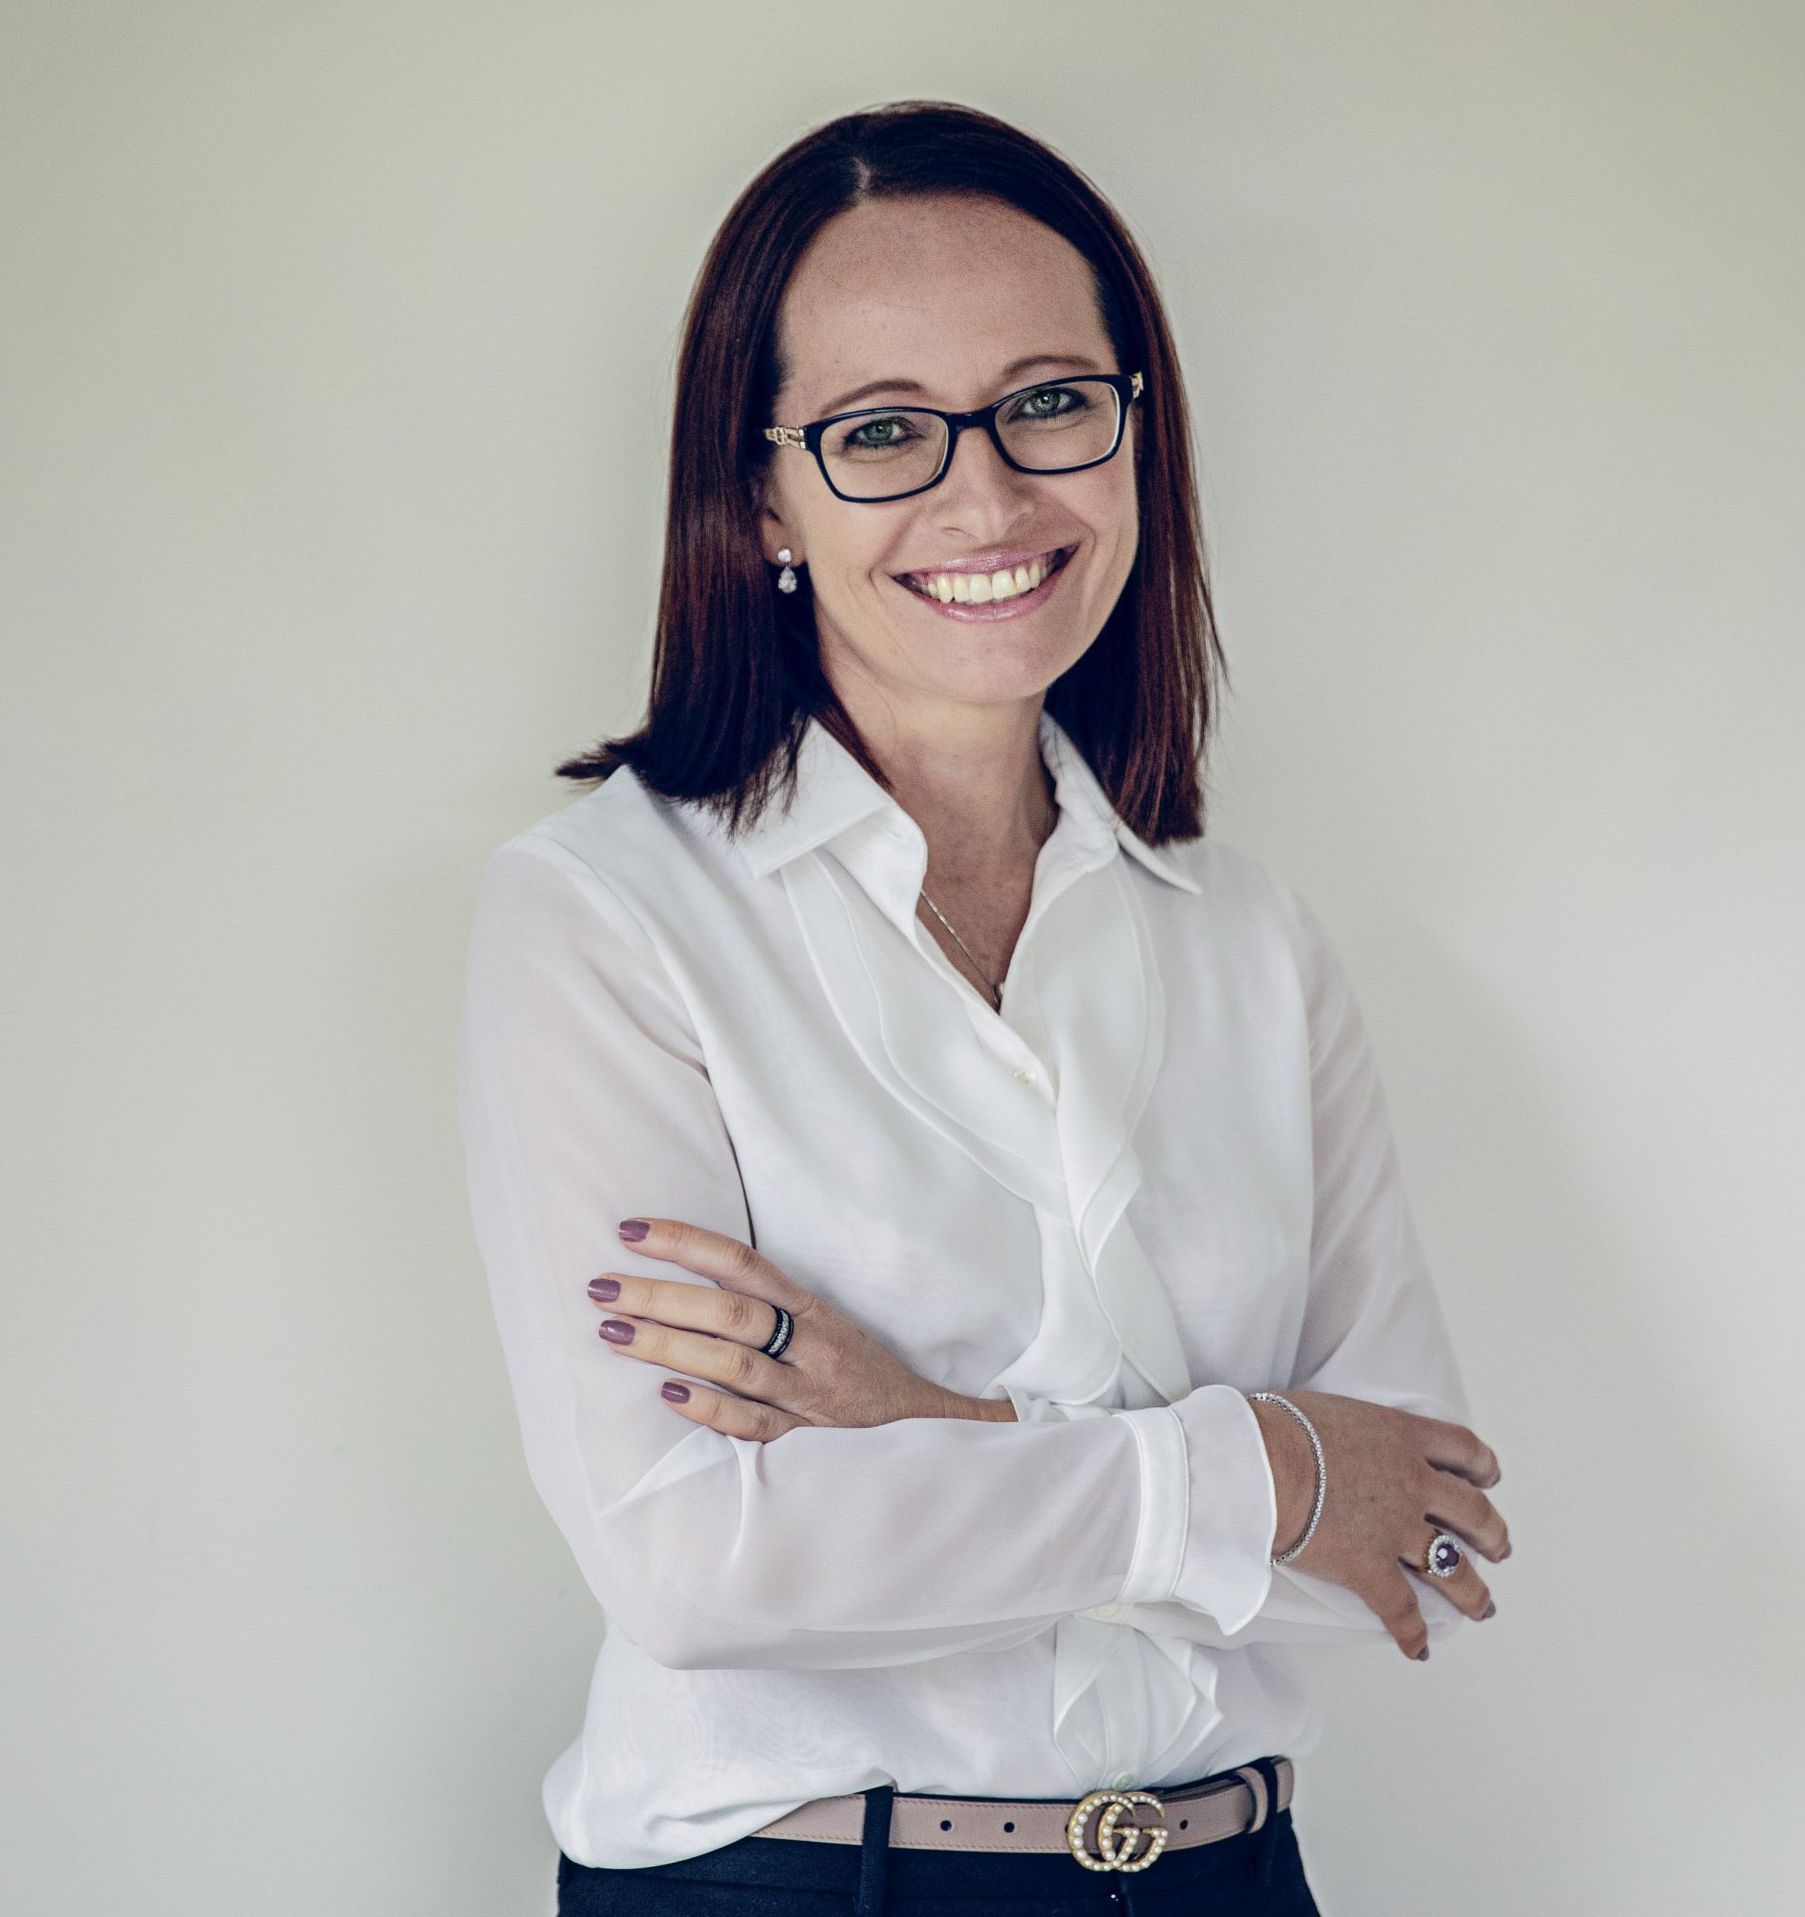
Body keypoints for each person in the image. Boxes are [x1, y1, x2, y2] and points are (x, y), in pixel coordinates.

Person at [457, 99, 1511, 1917]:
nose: (985, 495)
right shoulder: (605, 919)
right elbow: (701, 1567)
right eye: (881, 432)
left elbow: (1402, 1537)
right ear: (763, 493)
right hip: (790, 1886)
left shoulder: (1252, 941)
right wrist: (1253, 1461)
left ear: (1132, 435)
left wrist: (926, 1428)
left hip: (1225, 1875)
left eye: (1044, 402)